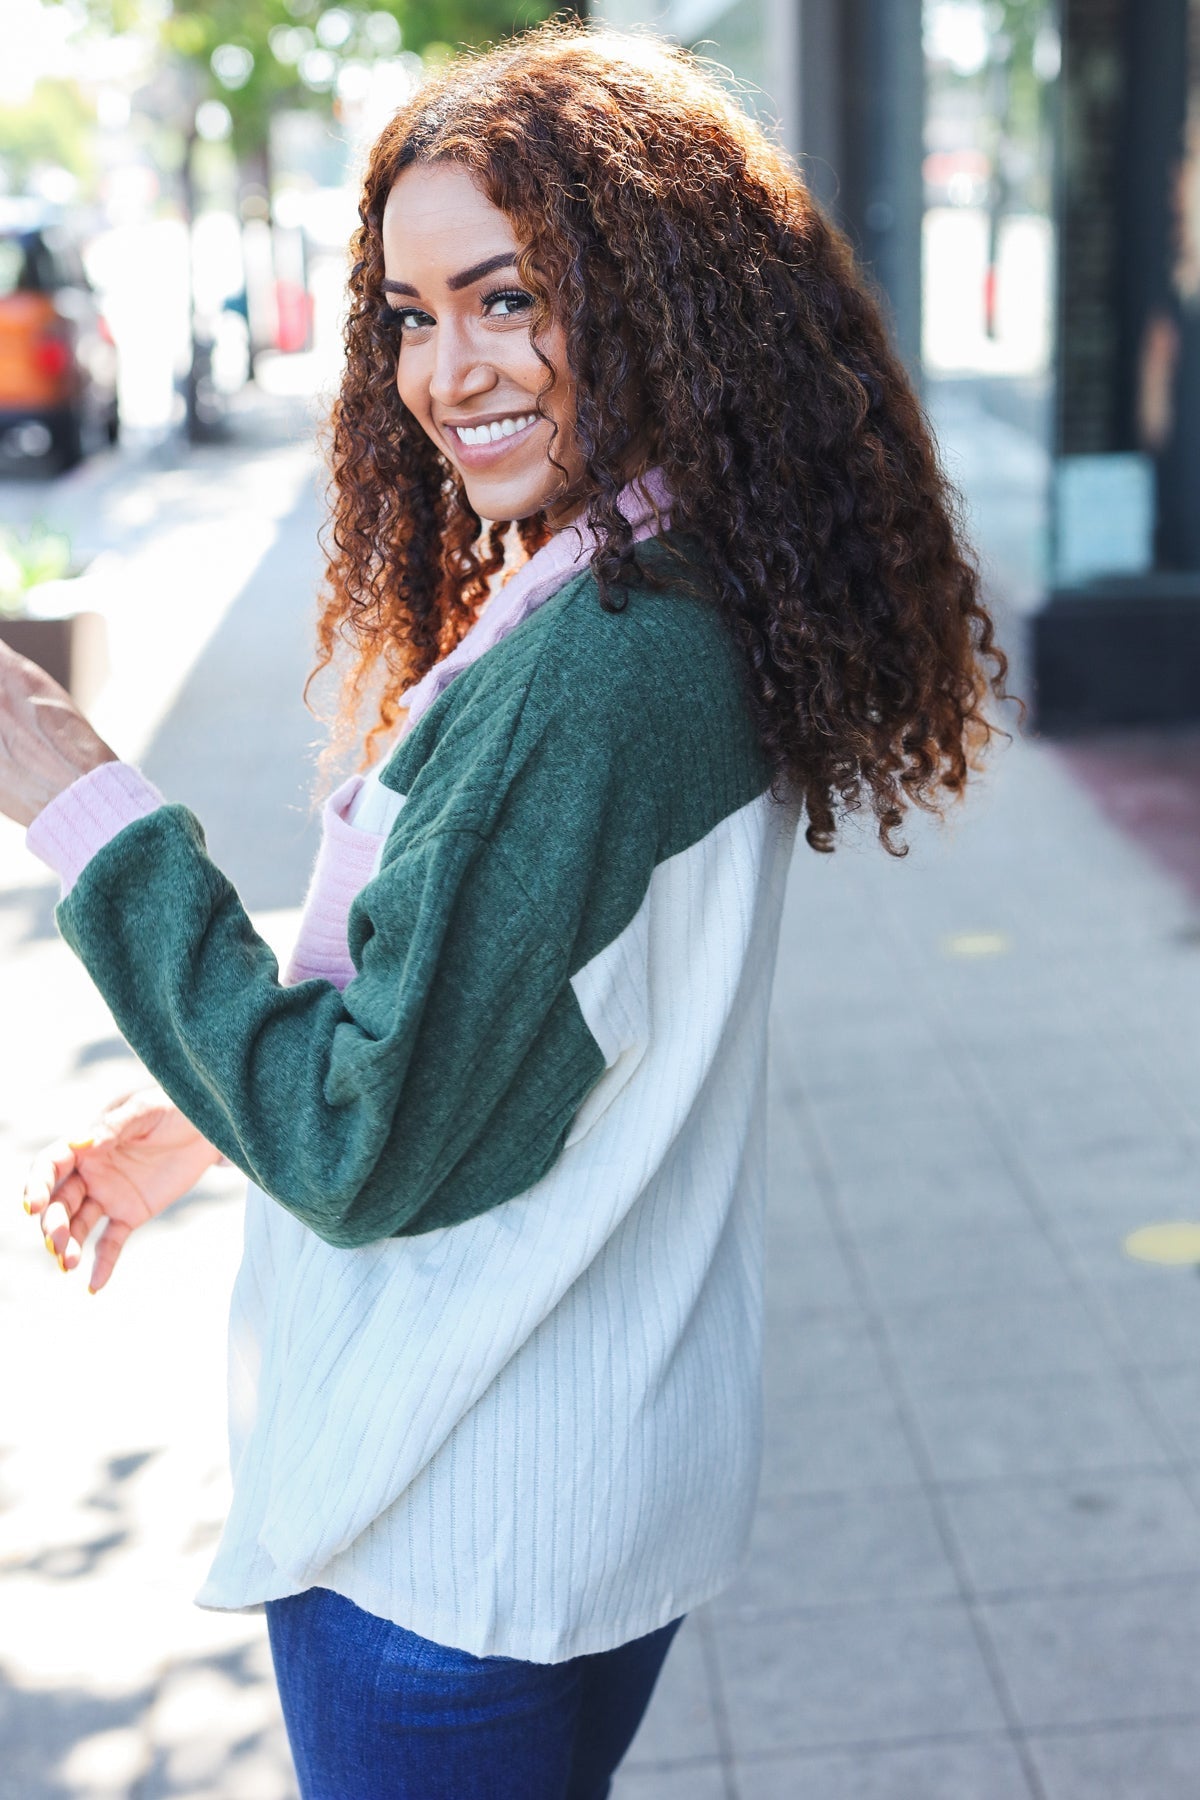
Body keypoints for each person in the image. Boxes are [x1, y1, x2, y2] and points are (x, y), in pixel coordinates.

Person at [0, 24, 1009, 1800]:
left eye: (508, 298)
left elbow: (369, 1139)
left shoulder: (609, 668)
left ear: (656, 300)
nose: (443, 368)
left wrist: (85, 801)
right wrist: (206, 1128)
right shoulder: (657, 576)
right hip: (575, 1497)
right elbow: (509, 1017)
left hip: (449, 1546)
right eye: (407, 312)